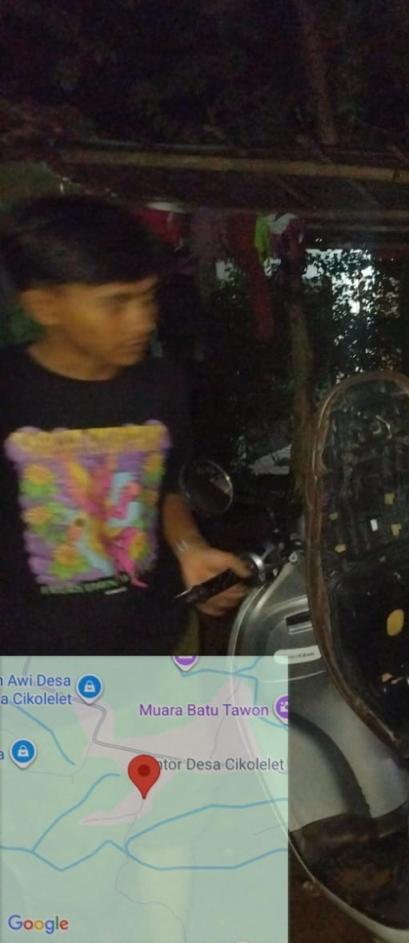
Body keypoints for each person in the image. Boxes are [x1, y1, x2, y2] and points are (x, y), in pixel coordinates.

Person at [0, 194, 247, 654]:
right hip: (31, 667)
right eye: (116, 303)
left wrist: (190, 549)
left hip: (157, 644)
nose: (143, 321)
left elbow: (165, 488)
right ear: (44, 305)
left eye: (147, 297)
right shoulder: (10, 392)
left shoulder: (162, 385)